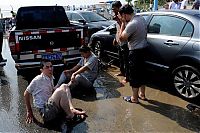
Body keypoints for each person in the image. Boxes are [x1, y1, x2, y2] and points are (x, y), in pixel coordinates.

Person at [24, 59, 86, 124]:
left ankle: (71, 109)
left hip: (50, 105)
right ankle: (71, 116)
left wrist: (65, 86)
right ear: (41, 70)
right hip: (45, 112)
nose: (50, 69)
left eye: (51, 66)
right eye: (47, 67)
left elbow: (52, 91)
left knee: (64, 86)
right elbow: (26, 93)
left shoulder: (50, 77)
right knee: (61, 91)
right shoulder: (38, 79)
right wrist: (29, 111)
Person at [118, 4, 148, 103]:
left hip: (135, 52)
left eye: (122, 16)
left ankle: (134, 98)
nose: (122, 18)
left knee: (134, 75)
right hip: (144, 50)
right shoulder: (141, 19)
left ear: (125, 15)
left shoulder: (132, 24)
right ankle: (142, 94)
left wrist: (122, 23)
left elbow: (121, 38)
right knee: (142, 74)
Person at [112, 1, 129, 83]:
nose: (112, 10)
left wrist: (119, 20)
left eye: (114, 8)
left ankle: (127, 76)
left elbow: (126, 28)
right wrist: (115, 39)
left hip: (125, 42)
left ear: (118, 7)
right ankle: (122, 72)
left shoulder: (124, 16)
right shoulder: (116, 16)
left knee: (126, 60)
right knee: (120, 59)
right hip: (119, 41)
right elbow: (118, 29)